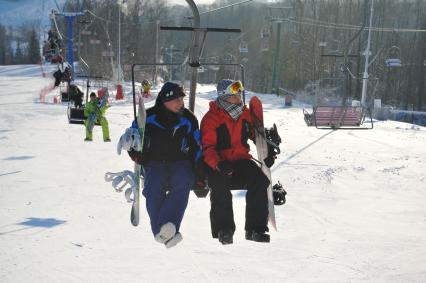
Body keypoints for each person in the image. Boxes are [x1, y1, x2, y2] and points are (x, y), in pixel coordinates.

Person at [200, 79, 277, 245]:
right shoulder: (211, 118)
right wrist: (218, 164)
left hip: (241, 160)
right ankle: (224, 229)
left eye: (239, 93)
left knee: (260, 180)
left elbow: (255, 136)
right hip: (219, 163)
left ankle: (255, 229)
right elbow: (208, 148)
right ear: (225, 96)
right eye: (235, 94)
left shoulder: (245, 114)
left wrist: (268, 150)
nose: (239, 97)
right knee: (219, 186)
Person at [125, 82, 202, 248]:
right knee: (153, 184)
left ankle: (162, 231)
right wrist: (134, 152)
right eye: (177, 100)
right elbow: (132, 138)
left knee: (184, 179)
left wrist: (200, 167)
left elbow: (198, 144)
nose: (181, 103)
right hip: (154, 162)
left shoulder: (188, 119)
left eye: (182, 99)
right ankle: (165, 232)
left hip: (181, 161)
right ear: (166, 100)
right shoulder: (149, 117)